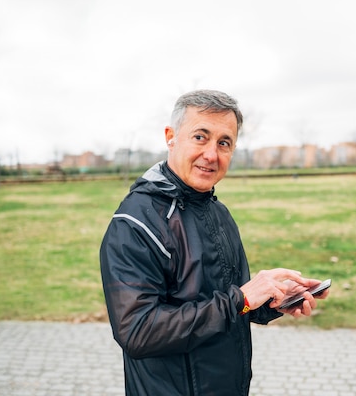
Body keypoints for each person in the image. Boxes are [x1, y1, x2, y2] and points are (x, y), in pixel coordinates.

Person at [100, 89, 329, 396]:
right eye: (200, 137)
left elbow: (231, 301)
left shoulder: (217, 212)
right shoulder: (135, 223)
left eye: (224, 143)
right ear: (171, 137)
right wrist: (241, 299)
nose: (211, 154)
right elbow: (138, 332)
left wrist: (270, 300)